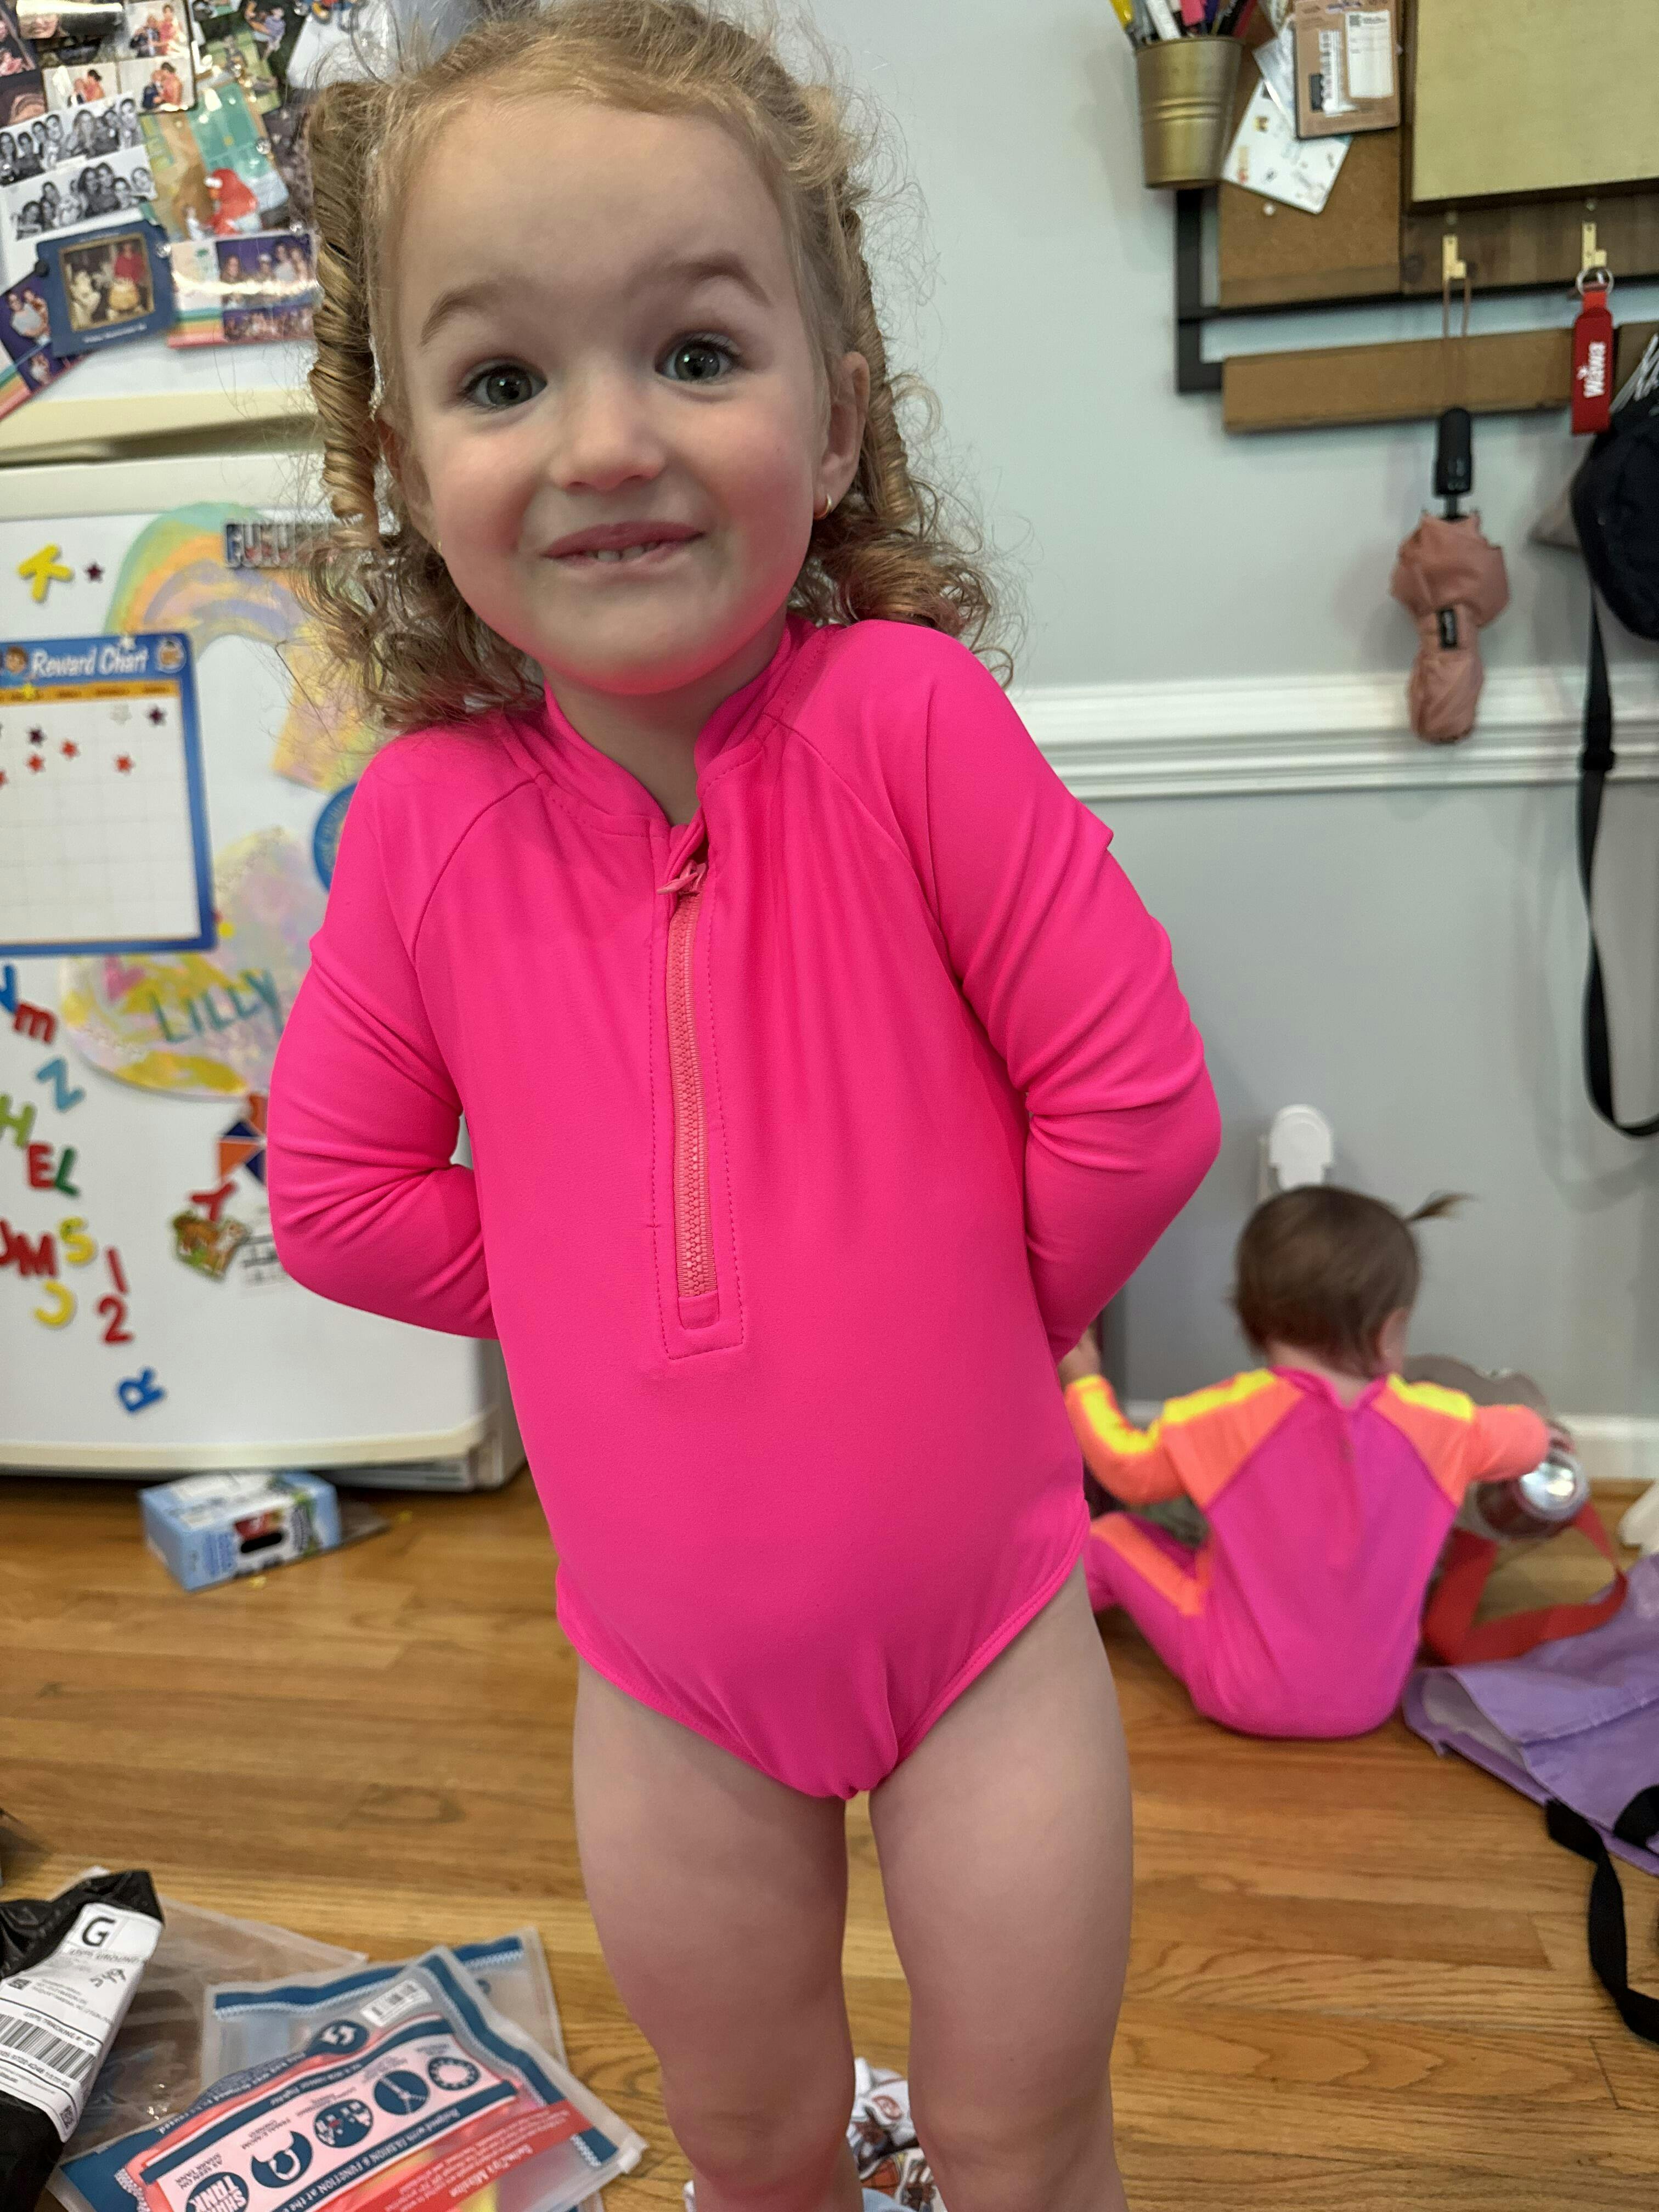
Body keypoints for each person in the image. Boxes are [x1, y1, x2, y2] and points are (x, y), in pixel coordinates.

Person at [265, 7, 1219, 2211]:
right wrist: (585, 1281)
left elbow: (1135, 1106)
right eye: (504, 379)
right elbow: (334, 1194)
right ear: (400, 463)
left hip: (990, 1641)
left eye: (696, 352)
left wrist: (956, 1305)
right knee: (751, 2142)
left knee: (1020, 2138)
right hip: (668, 1688)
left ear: (840, 411)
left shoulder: (910, 725)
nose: (606, 441)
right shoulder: (424, 830)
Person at [1060, 1186, 1564, 1740]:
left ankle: (1044, 1639)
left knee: (1111, 1538)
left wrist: (1085, 1384)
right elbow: (1529, 1441)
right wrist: (1544, 1432)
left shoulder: (1224, 1415)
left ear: (1250, 1320)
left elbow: (1125, 1467)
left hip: (1236, 1692)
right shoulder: (1443, 1423)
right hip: (1372, 1702)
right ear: (1391, 1332)